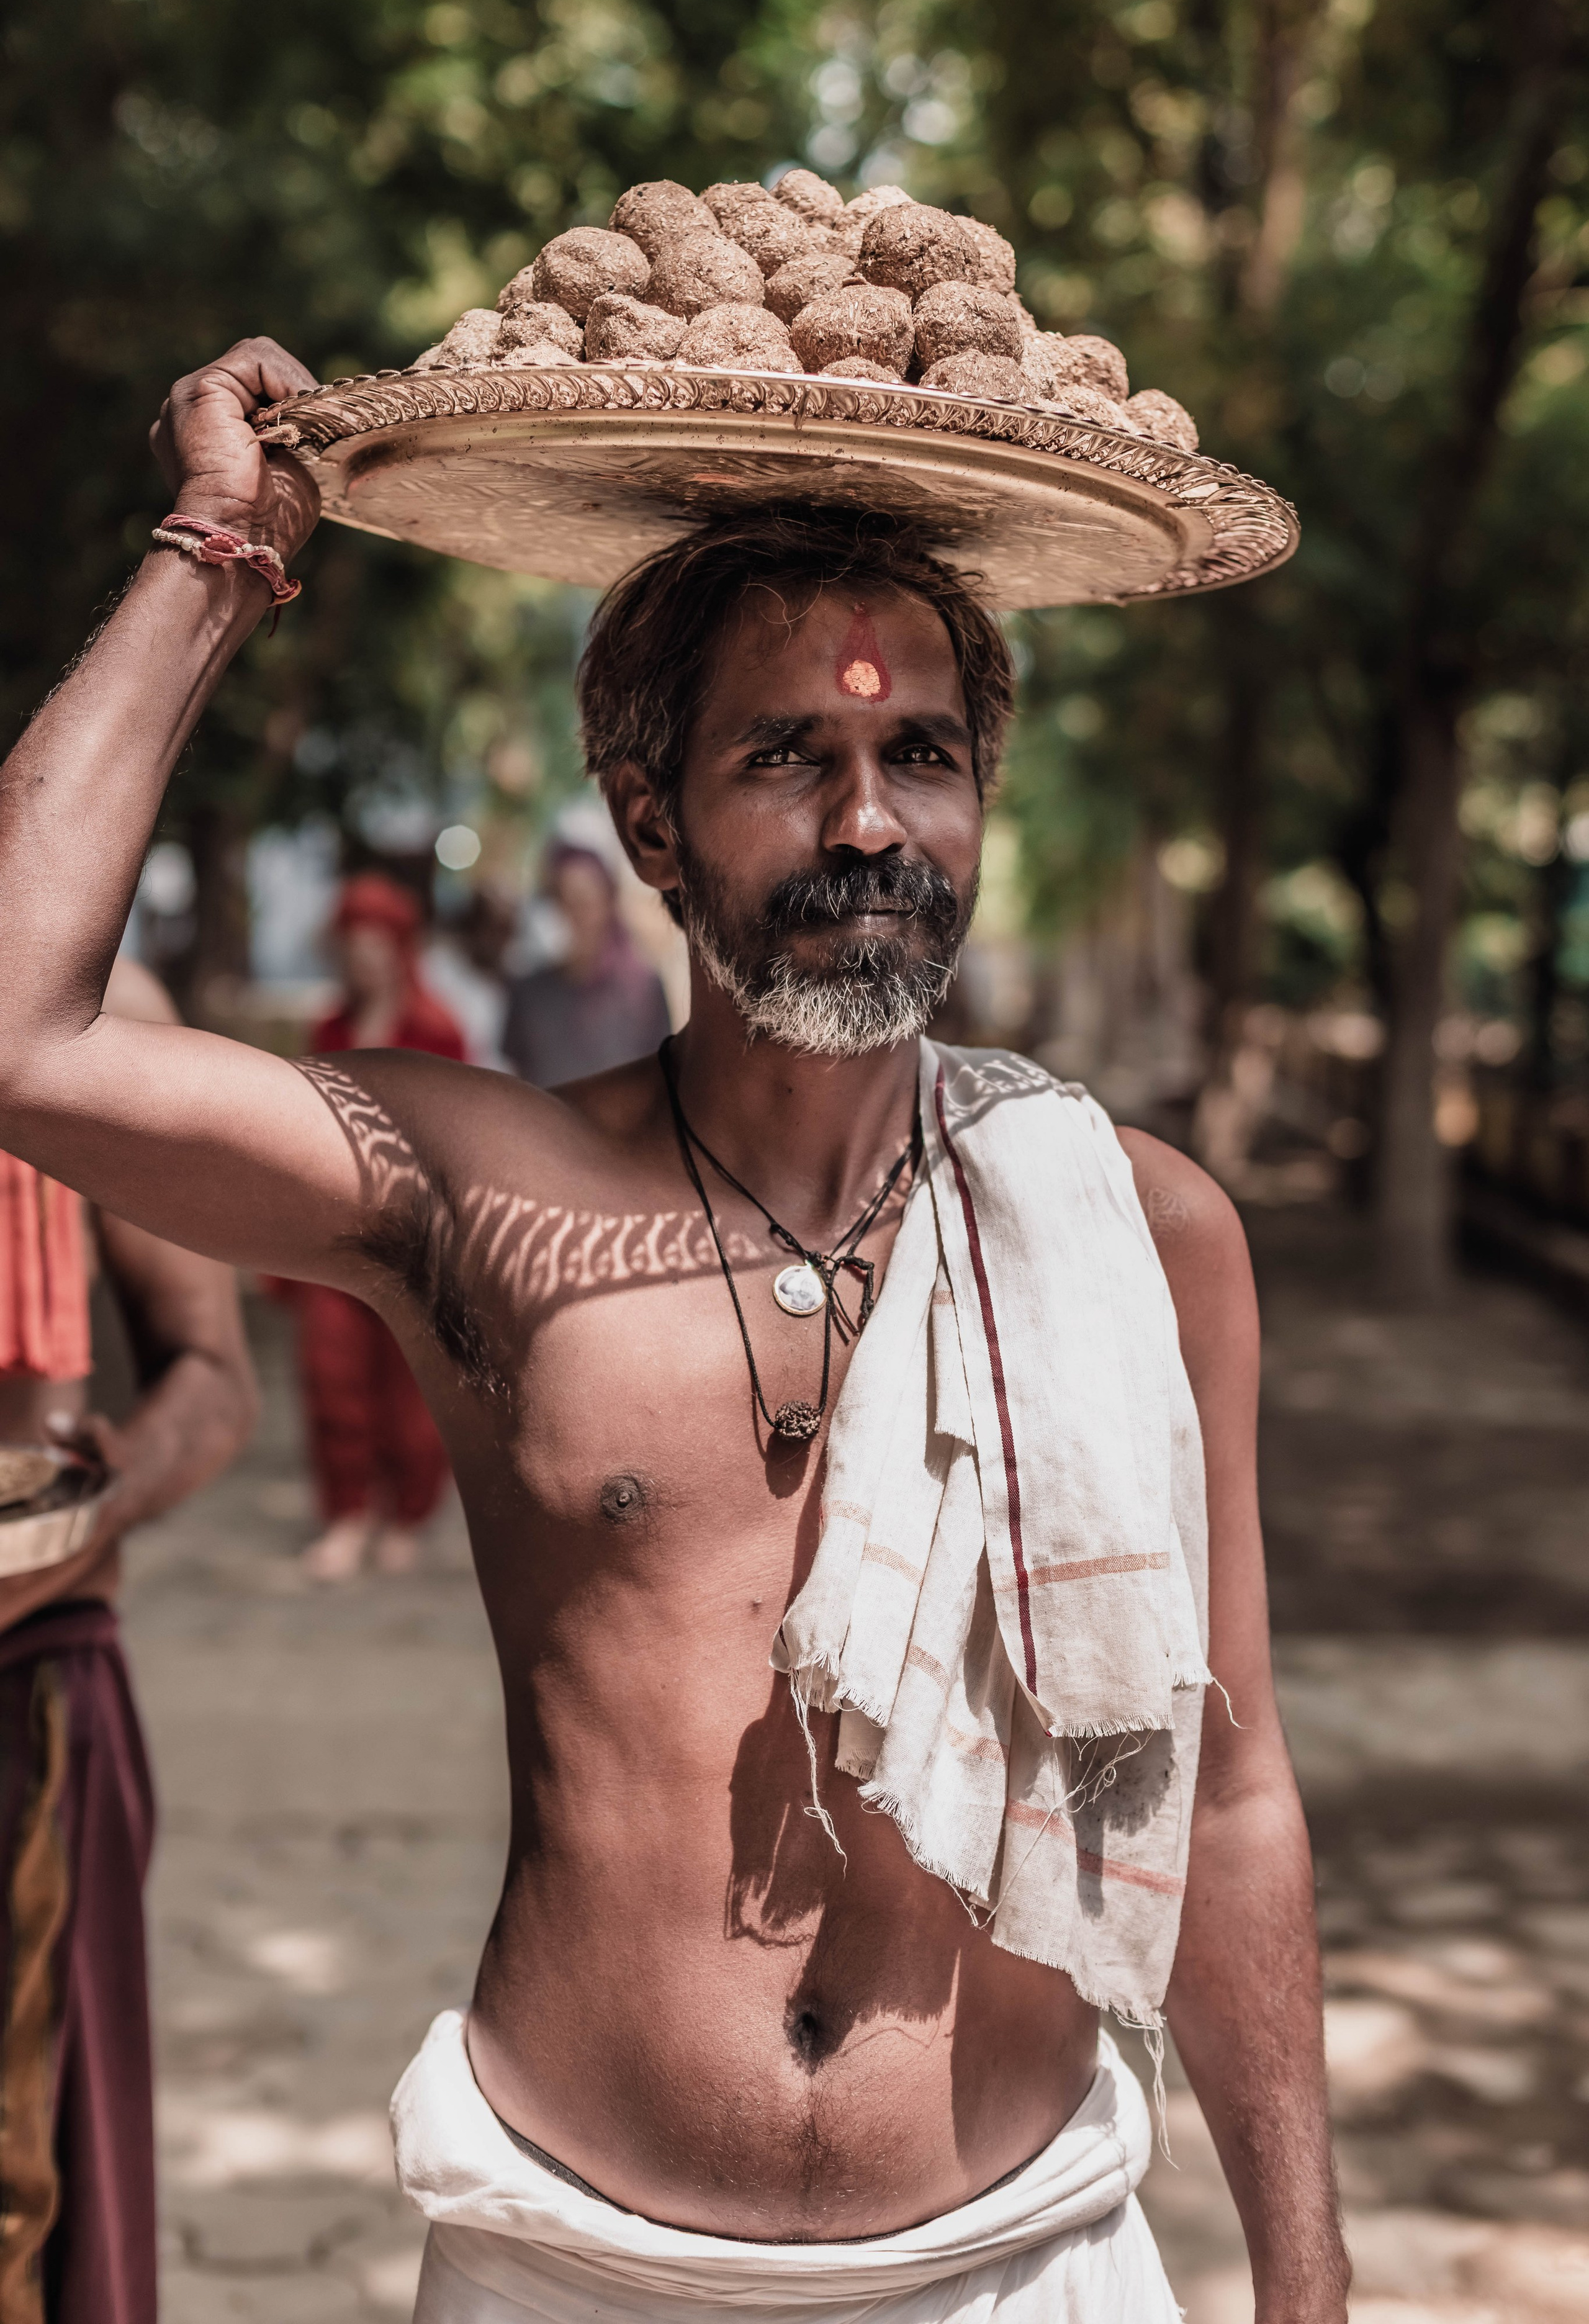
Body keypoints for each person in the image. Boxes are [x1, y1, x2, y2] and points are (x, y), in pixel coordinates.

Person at [0, 339, 1349, 2324]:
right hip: (570, 2260)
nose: (870, 821)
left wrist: (1308, 2292)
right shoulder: (483, 1187)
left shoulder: (1134, 1227)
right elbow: (24, 1039)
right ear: (648, 817)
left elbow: (1226, 1793)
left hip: (1028, 2256)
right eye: (786, 755)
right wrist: (221, 550)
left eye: (924, 756)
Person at [0, 953, 258, 2324]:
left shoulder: (88, 1008)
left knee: (27, 2190)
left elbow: (212, 1386)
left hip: (29, 1680)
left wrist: (79, 1507)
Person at [294, 873, 465, 1581]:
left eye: (377, 944)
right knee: (330, 1375)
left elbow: (460, 1139)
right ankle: (348, 1512)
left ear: (400, 947)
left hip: (414, 1233)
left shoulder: (437, 1029)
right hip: (334, 1227)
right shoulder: (329, 1028)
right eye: (353, 945)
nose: (364, 959)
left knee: (412, 1381)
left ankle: (409, 1512)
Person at [501, 841, 670, 1087]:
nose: (573, 916)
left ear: (607, 903)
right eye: (562, 900)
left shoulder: (644, 988)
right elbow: (516, 1079)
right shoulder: (528, 993)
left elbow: (660, 1079)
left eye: (583, 902)